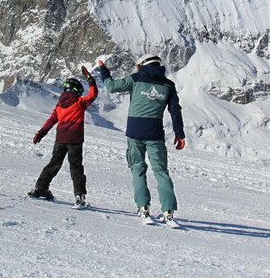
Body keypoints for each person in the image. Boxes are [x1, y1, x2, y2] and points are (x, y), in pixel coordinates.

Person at [97, 54, 185, 227]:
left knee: (137, 168)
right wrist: (179, 134)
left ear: (142, 65)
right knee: (161, 171)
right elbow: (175, 111)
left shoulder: (136, 78)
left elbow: (111, 86)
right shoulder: (168, 85)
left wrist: (103, 69)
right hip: (155, 134)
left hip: (134, 132)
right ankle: (168, 213)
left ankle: (144, 208)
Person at [28, 67, 98, 208]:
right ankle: (79, 196)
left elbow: (51, 120)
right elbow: (93, 94)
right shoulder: (79, 102)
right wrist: (90, 80)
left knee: (54, 164)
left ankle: (40, 188)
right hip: (75, 139)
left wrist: (41, 133)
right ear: (77, 90)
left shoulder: (59, 105)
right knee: (76, 167)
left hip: (60, 139)